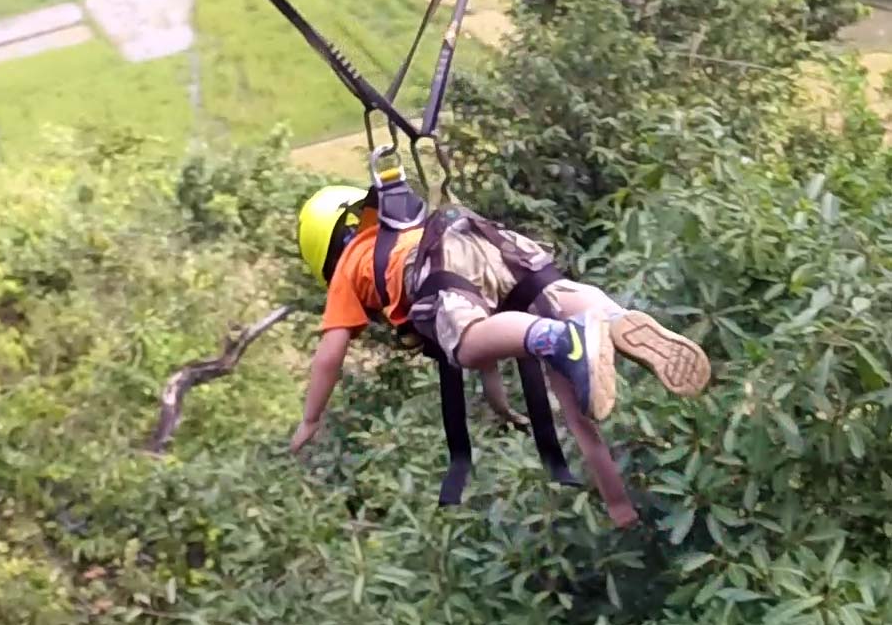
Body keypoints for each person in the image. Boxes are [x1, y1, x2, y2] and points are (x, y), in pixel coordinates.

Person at [288, 184, 712, 529]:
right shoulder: (403, 230)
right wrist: (502, 406)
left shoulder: (350, 265)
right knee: (571, 368)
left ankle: (561, 339)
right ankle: (609, 320)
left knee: (469, 345)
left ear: (327, 250)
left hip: (437, 264)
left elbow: (330, 354)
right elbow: (493, 348)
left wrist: (310, 419)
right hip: (486, 238)